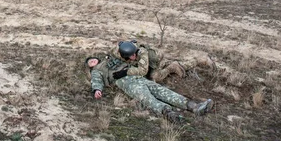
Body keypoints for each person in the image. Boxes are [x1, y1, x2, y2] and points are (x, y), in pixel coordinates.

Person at [86, 42, 214, 123]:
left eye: (92, 60)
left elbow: (126, 50)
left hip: (137, 75)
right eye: (89, 63)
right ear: (91, 67)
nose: (92, 62)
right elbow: (96, 81)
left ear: (97, 58)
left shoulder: (113, 57)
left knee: (162, 91)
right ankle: (169, 113)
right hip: (123, 81)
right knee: (146, 98)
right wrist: (97, 89)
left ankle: (194, 107)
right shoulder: (97, 71)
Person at [108, 40, 186, 83]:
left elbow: (143, 71)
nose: (133, 56)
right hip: (144, 62)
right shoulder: (118, 51)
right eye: (131, 55)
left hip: (156, 59)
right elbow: (111, 52)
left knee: (154, 77)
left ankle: (172, 67)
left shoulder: (142, 52)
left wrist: (125, 72)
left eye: (134, 53)